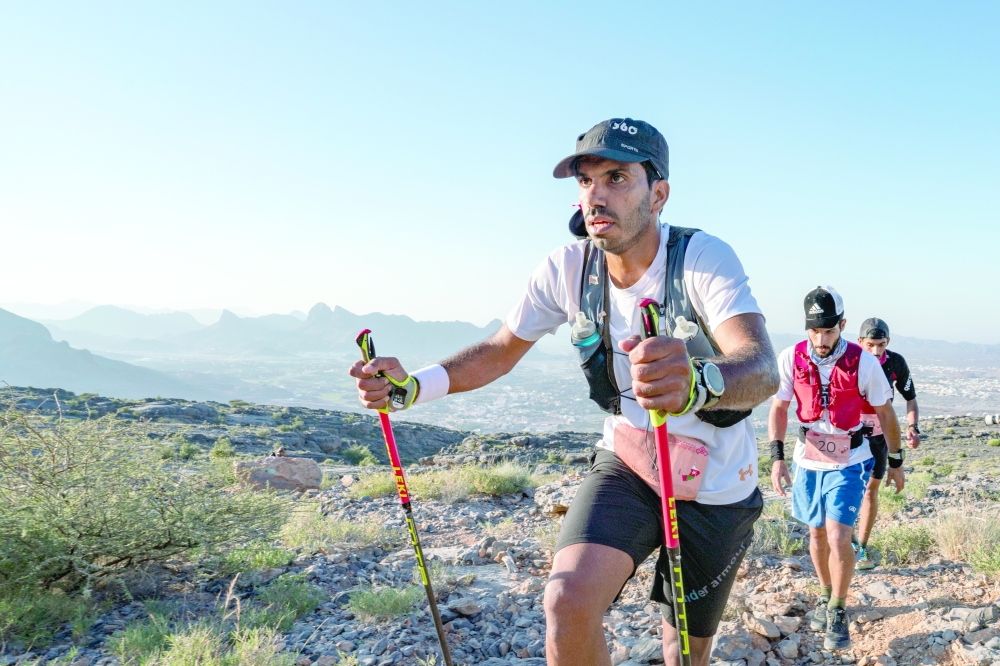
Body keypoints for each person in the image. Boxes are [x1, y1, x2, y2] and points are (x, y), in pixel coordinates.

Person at [350, 117, 778, 666]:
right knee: (566, 601)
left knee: (683, 651)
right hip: (630, 463)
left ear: (660, 193)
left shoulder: (701, 258)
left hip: (717, 486)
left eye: (617, 178)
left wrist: (700, 382)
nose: (595, 195)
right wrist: (412, 389)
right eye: (585, 181)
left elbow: (762, 367)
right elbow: (500, 350)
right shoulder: (567, 268)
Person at [769, 287, 905, 651]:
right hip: (807, 459)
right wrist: (776, 457)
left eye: (828, 331)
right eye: (814, 331)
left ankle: (839, 609)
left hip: (851, 460)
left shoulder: (864, 362)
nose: (821, 339)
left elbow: (886, 413)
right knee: (814, 535)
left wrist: (895, 461)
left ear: (842, 325)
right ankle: (826, 594)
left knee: (837, 535)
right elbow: (780, 408)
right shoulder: (790, 357)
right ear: (806, 327)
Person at [854, 317, 920, 569]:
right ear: (860, 342)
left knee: (871, 490)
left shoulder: (895, 362)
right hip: (850, 433)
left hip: (880, 435)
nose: (875, 351)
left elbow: (911, 398)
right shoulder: (849, 361)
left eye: (881, 344)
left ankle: (861, 546)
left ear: (888, 342)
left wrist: (912, 427)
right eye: (870, 344)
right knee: (847, 488)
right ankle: (844, 543)